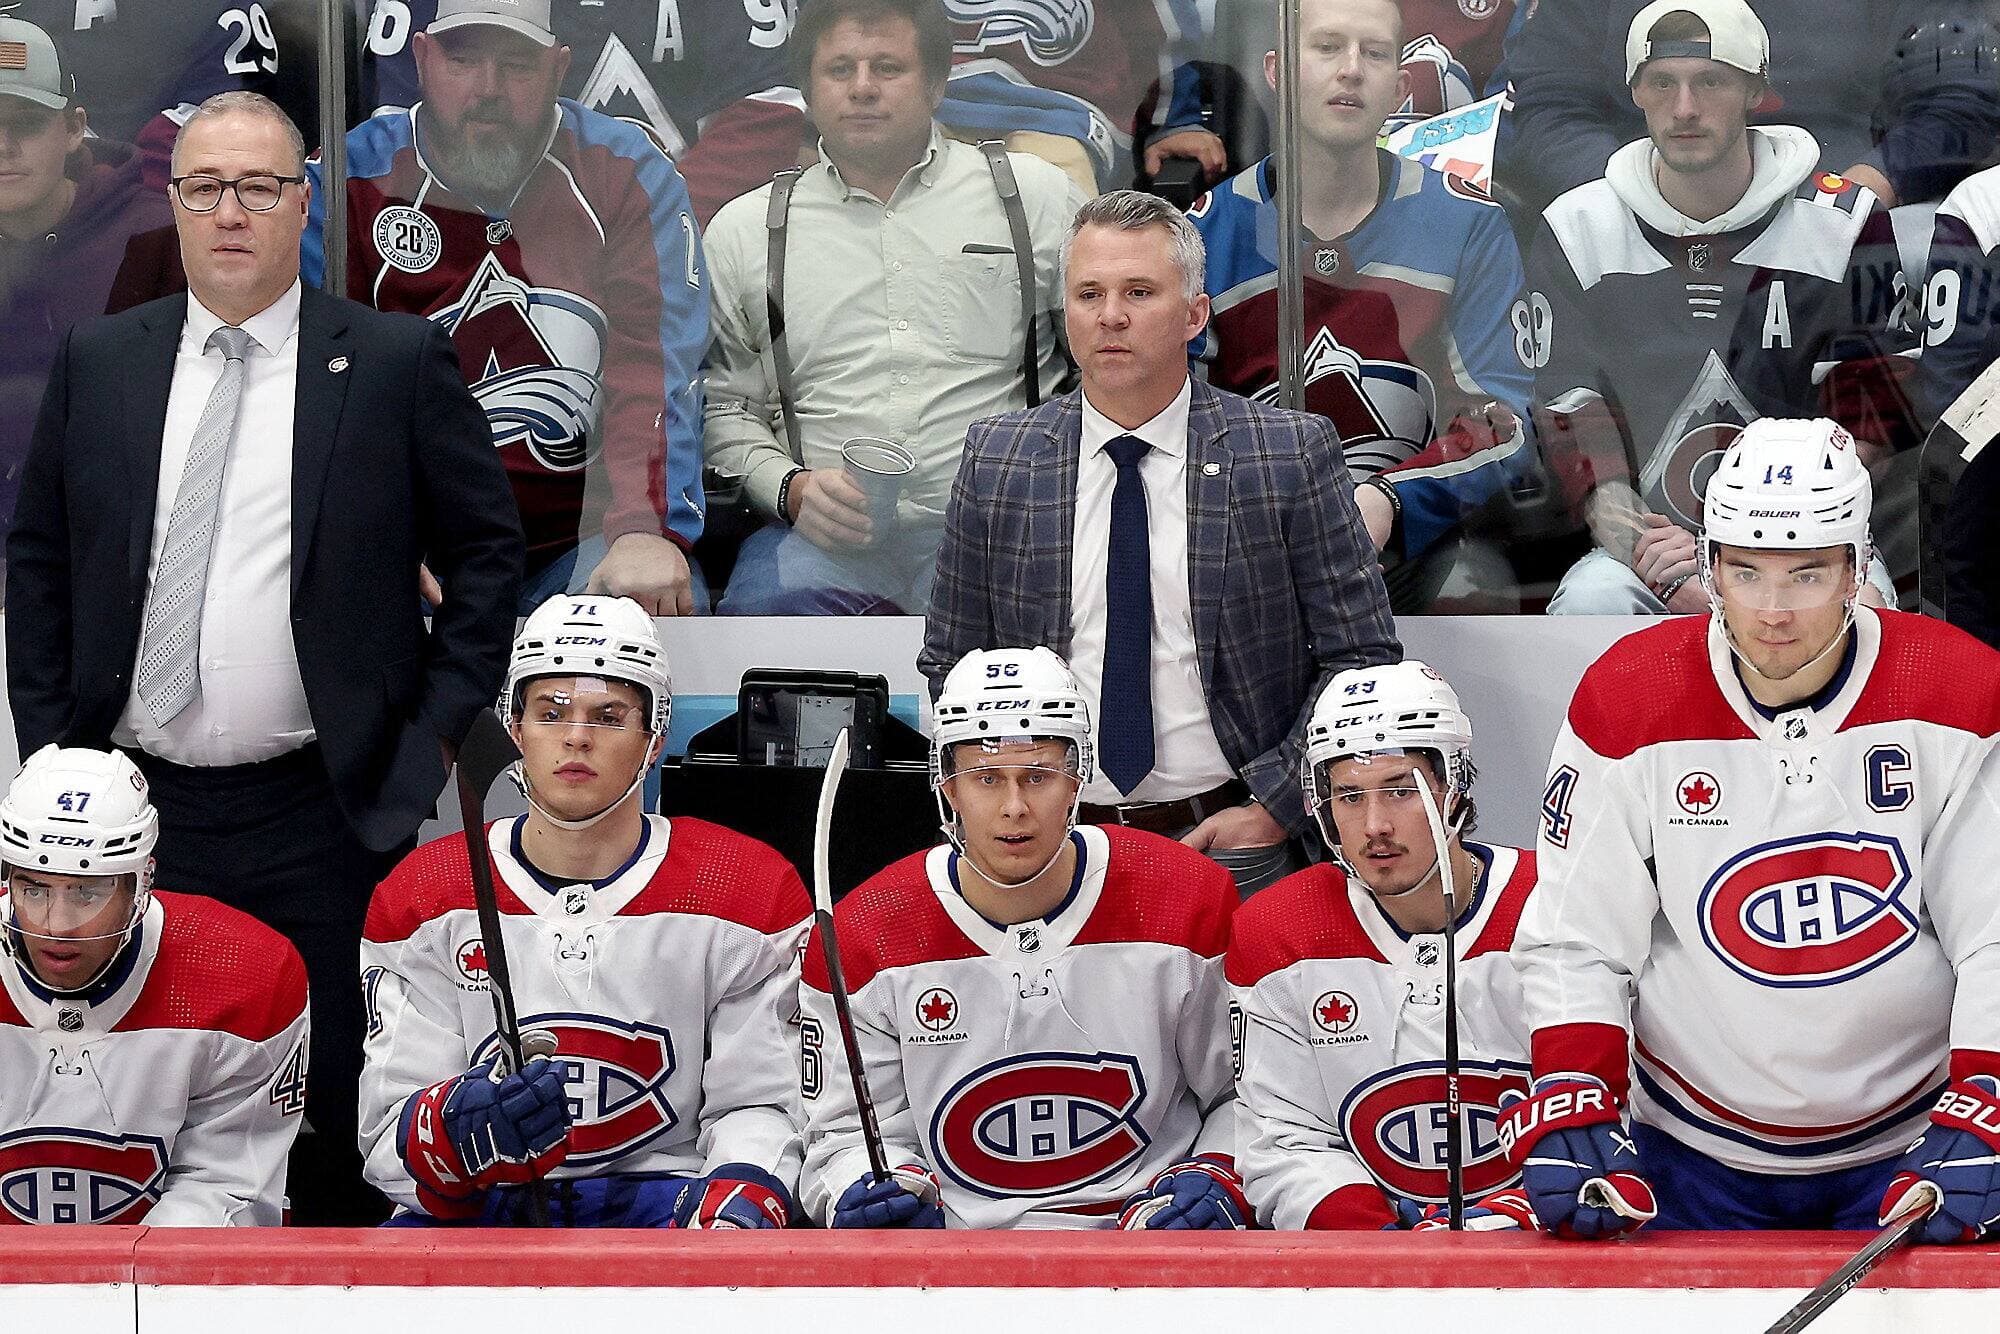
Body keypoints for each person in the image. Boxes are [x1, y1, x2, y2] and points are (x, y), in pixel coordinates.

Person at [6, 92, 523, 1224]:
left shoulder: (391, 360)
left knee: (323, 1109)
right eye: (204, 187)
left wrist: (422, 742)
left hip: (323, 813)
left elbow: (488, 560)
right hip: (132, 817)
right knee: (133, 1109)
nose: (228, 211)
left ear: (302, 204)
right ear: (176, 207)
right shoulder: (103, 360)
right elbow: (39, 557)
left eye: (257, 187)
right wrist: (61, 758)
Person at [1505, 416, 2000, 1241]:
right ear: (1709, 566)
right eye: (1746, 572)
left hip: (1917, 1147)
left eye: (1805, 575)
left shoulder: (1958, 690)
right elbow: (1576, 936)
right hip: (1685, 1150)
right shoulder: (1628, 698)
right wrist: (1574, 1086)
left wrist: (1990, 1096)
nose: (1771, 611)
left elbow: (1994, 932)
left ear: (1855, 569)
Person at [922, 190, 1398, 893]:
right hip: (1048, 851)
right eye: (1089, 293)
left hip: (1233, 846)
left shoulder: (1285, 454)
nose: (1110, 315)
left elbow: (1361, 659)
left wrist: (1274, 805)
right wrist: (1003, 804)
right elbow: (952, 665)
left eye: (1138, 291)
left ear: (1195, 316)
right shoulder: (999, 459)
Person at [360, 595, 812, 1227]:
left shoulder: (746, 891)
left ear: (655, 739)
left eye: (609, 715)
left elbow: (761, 1102)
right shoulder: (428, 892)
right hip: (485, 1212)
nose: (576, 736)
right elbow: (387, 1136)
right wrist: (456, 1130)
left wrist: (740, 1192)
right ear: (514, 728)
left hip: (672, 1201)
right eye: (551, 712)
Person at [799, 646, 1245, 1229]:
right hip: (959, 1269)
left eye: (1038, 776)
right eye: (986, 779)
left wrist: (1215, 1171)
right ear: (947, 786)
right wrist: (863, 1185)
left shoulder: (1186, 897)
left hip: (1147, 1250)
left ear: (1078, 778)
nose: (1015, 807)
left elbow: (1247, 1099)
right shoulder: (868, 930)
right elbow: (841, 1136)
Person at [305, 0, 708, 617]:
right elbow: (316, 380)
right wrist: (365, 529)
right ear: (422, 59)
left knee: (640, 615)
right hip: (412, 542)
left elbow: (652, 367)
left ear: (559, 69)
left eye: (517, 64)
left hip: (579, 548)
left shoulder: (624, 170)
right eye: (463, 59)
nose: (488, 89)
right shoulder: (354, 176)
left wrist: (643, 527)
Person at [1524, 0, 1910, 615]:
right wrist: (1652, 557)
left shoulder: (1844, 225)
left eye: (1711, 80)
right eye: (1662, 83)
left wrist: (1765, 560)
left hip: (1813, 540)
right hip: (1653, 551)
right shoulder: (1578, 230)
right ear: (1635, 93)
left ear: (1756, 90)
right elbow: (1572, 418)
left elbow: (1865, 427)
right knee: (1591, 603)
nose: (1684, 108)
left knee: (1866, 610)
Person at [703, 0, 1083, 616]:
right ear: (807, 89)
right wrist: (789, 489)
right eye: (839, 69)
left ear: (936, 85)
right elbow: (724, 405)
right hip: (818, 543)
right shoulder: (746, 231)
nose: (862, 89)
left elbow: (1105, 360)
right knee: (763, 645)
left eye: (887, 67)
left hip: (1007, 534)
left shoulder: (1033, 197)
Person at [1188, 0, 1536, 612]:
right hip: (1242, 561)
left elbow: (1506, 425)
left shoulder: (1466, 225)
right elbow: (1175, 430)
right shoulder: (1205, 236)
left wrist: (1390, 501)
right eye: (1327, 48)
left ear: (1400, 87)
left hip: (1422, 556)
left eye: (1374, 53)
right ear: (1277, 71)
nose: (1351, 69)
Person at [1229, 661, 1539, 1230]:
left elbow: (1613, 1103)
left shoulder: (1552, 907)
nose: (1374, 825)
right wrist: (1377, 1240)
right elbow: (1284, 1141)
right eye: (1348, 797)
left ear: (1454, 786)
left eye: (1400, 791)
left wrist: (1526, 1212)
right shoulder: (1280, 929)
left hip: (1544, 1262)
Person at [0, 746, 309, 1226]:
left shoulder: (241, 972)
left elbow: (224, 1190)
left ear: (139, 885)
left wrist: (114, 1293)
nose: (56, 925)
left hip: (162, 1295)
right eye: (34, 887)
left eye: (89, 890)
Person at [1502, 0, 2000, 214]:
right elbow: (1550, 102)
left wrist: (1857, 200)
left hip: (1846, 210)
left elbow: (1960, 100)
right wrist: (1626, 204)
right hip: (1632, 209)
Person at [358, 0, 809, 226]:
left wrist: (655, 225)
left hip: (685, 256)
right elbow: (397, 141)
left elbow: (768, 112)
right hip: (485, 250)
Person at [1, 15, 172, 559]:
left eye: (25, 122)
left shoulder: (152, 237)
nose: (3, 145)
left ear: (74, 129)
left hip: (122, 556)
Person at [936, 0, 1227, 195]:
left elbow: (1161, 27)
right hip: (927, 107)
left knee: (1057, 217)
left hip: (1059, 119)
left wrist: (1170, 122)